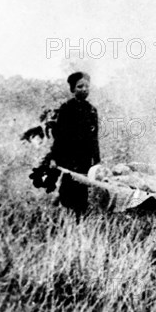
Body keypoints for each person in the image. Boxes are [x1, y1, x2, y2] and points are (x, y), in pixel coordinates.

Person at [48, 72, 101, 219]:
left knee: (82, 189)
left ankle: (79, 219)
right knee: (68, 187)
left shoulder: (92, 110)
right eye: (80, 86)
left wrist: (97, 161)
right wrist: (54, 158)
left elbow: (94, 138)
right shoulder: (66, 109)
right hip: (68, 156)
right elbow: (59, 136)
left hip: (84, 157)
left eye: (87, 86)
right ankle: (65, 219)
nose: (84, 89)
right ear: (72, 89)